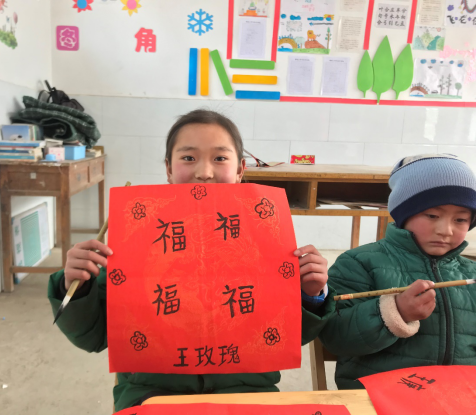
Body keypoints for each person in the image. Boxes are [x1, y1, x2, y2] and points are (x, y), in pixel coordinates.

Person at [48, 109, 335, 411]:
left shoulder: (266, 240)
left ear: (240, 169)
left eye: (220, 158)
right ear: (168, 169)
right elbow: (92, 337)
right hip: (153, 396)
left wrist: (311, 295)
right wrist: (77, 288)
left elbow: (286, 337)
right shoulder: (136, 242)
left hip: (249, 394)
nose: (204, 172)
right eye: (188, 158)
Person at [320, 154, 476, 389]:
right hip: (380, 396)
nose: (446, 230)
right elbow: (335, 337)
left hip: (459, 396)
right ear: (404, 213)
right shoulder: (359, 263)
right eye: (432, 215)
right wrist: (396, 313)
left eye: (461, 220)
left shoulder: (471, 273)